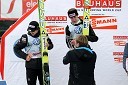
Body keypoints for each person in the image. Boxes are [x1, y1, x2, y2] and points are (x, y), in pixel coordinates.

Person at [13, 21, 53, 85]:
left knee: (45, 83)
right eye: (30, 30)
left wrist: (48, 45)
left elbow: (51, 46)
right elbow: (16, 48)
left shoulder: (43, 35)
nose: (31, 32)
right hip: (31, 64)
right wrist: (25, 56)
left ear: (38, 29)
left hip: (42, 63)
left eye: (33, 31)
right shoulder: (25, 37)